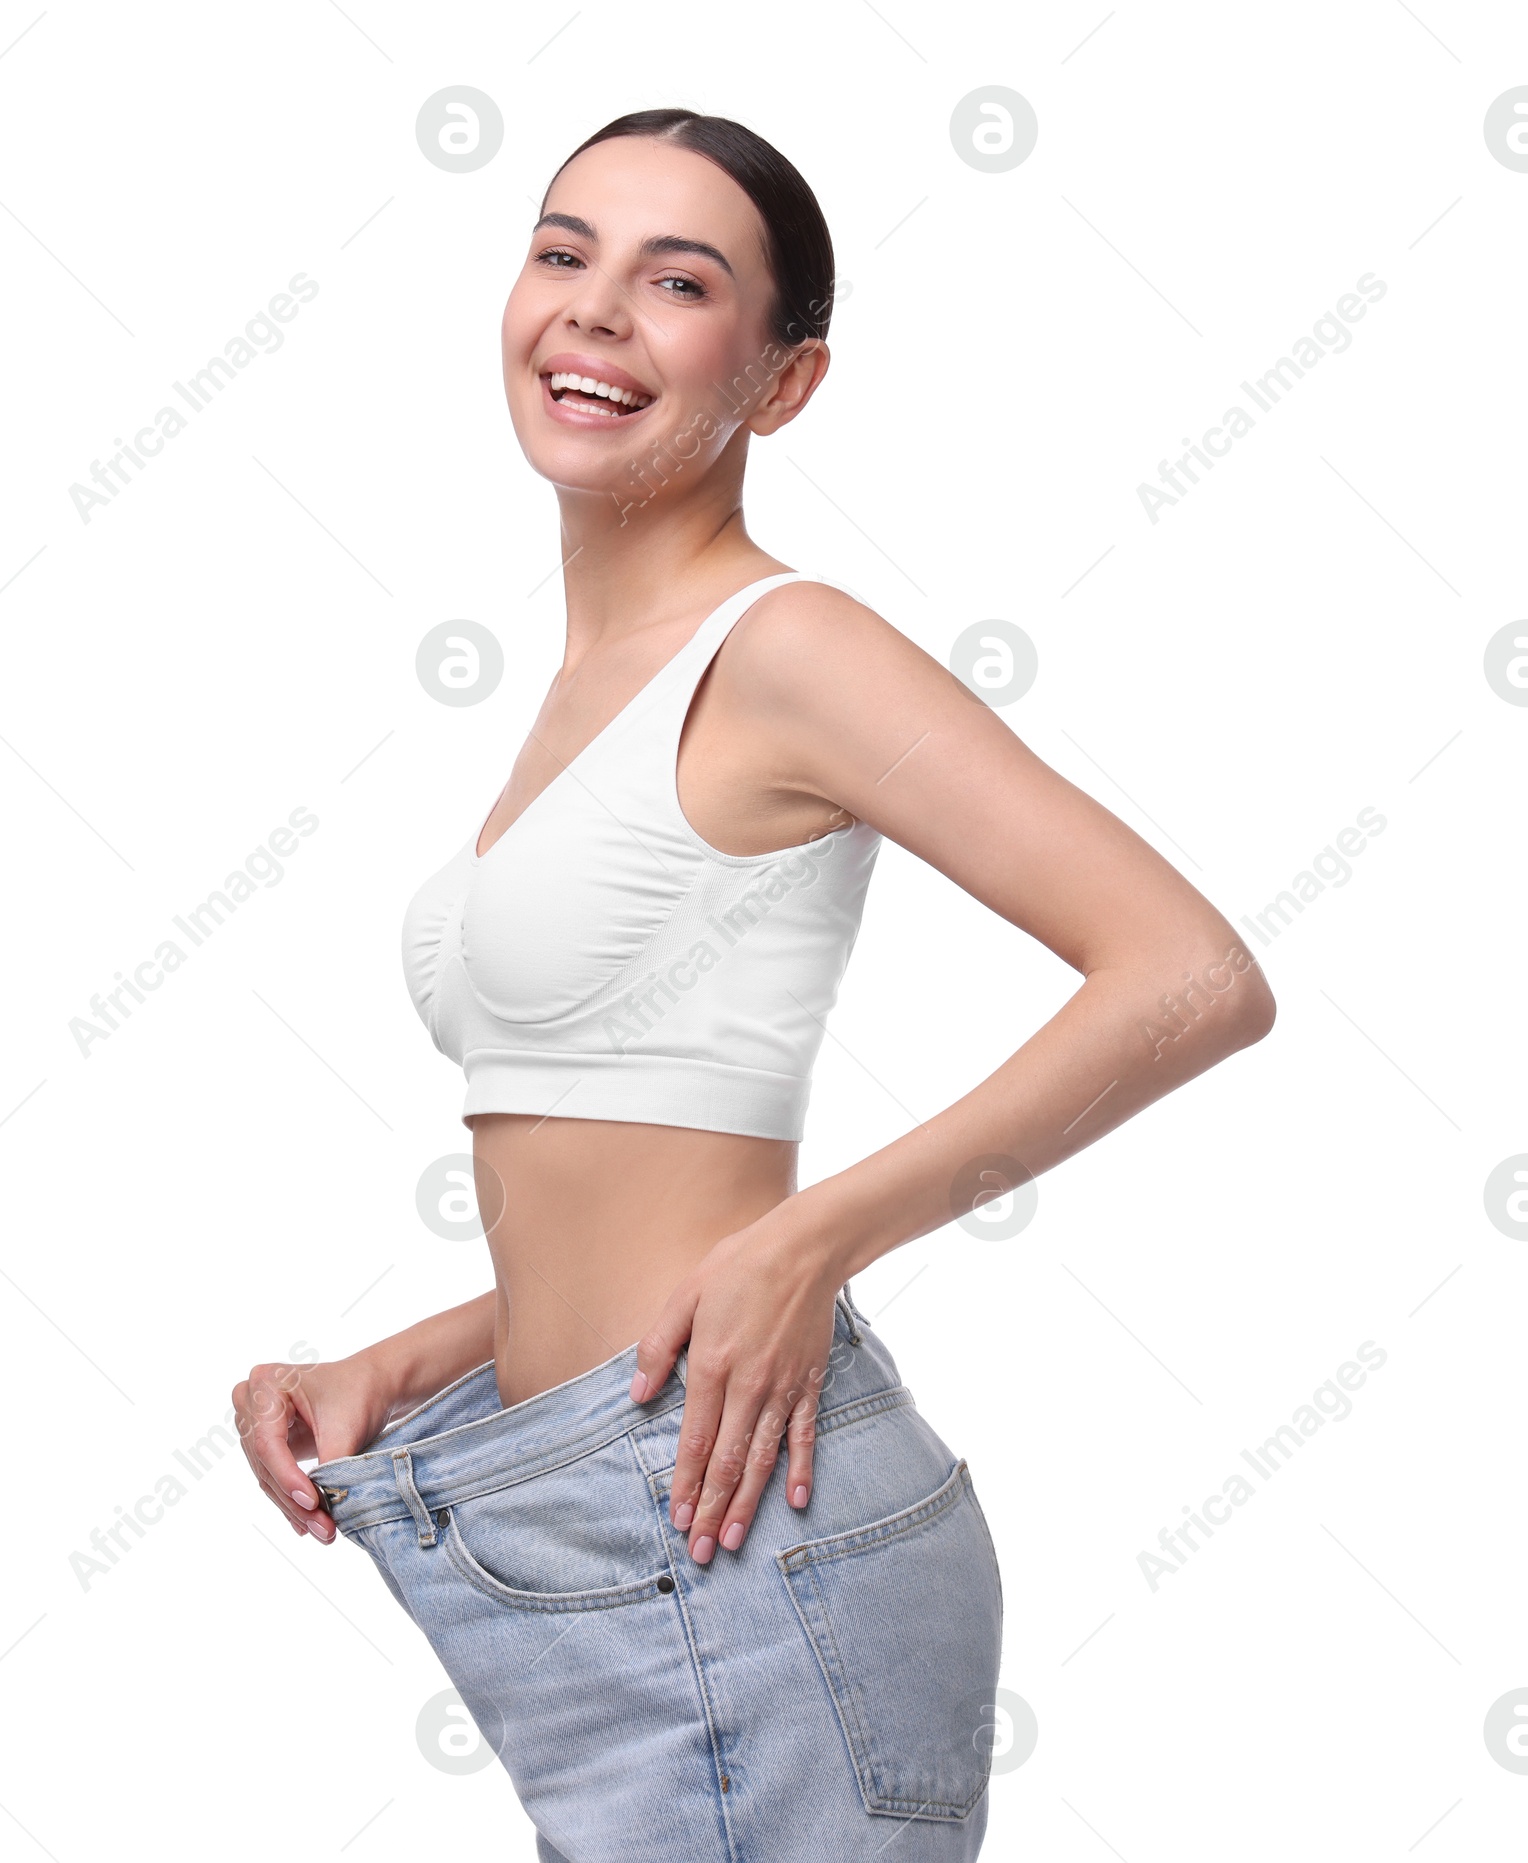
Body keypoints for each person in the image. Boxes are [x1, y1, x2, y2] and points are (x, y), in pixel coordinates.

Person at [233, 108, 1275, 1861]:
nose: (595, 311)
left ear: (782, 384)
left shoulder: (784, 650)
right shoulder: (591, 689)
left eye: (679, 281)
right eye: (565, 253)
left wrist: (817, 1240)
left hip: (720, 1533)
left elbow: (1191, 973)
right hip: (597, 1493)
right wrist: (412, 1362)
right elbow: (646, 1168)